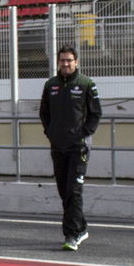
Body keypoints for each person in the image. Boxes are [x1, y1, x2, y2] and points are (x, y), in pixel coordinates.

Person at [39, 45, 101, 251]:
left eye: (69, 60)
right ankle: (81, 227)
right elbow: (44, 113)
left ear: (76, 62)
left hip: (79, 148)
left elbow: (95, 114)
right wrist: (50, 132)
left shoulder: (86, 84)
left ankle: (72, 234)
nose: (65, 64)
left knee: (74, 190)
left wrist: (84, 134)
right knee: (64, 191)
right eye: (62, 60)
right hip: (58, 146)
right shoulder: (51, 85)